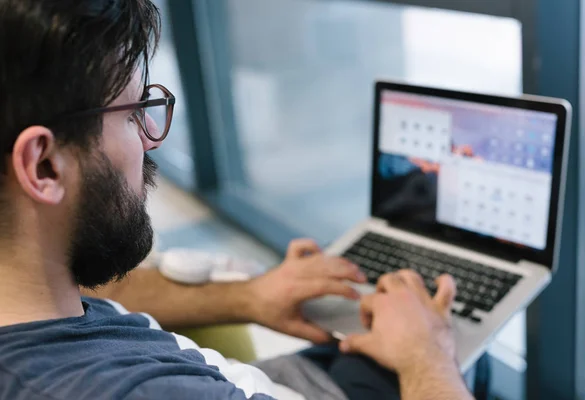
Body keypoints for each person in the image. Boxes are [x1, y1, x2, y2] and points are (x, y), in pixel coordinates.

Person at [0, 0, 474, 399]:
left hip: (254, 374)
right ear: (43, 167)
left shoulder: (36, 288)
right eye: (130, 114)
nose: (150, 140)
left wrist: (250, 296)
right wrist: (426, 359)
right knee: (457, 349)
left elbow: (101, 293)